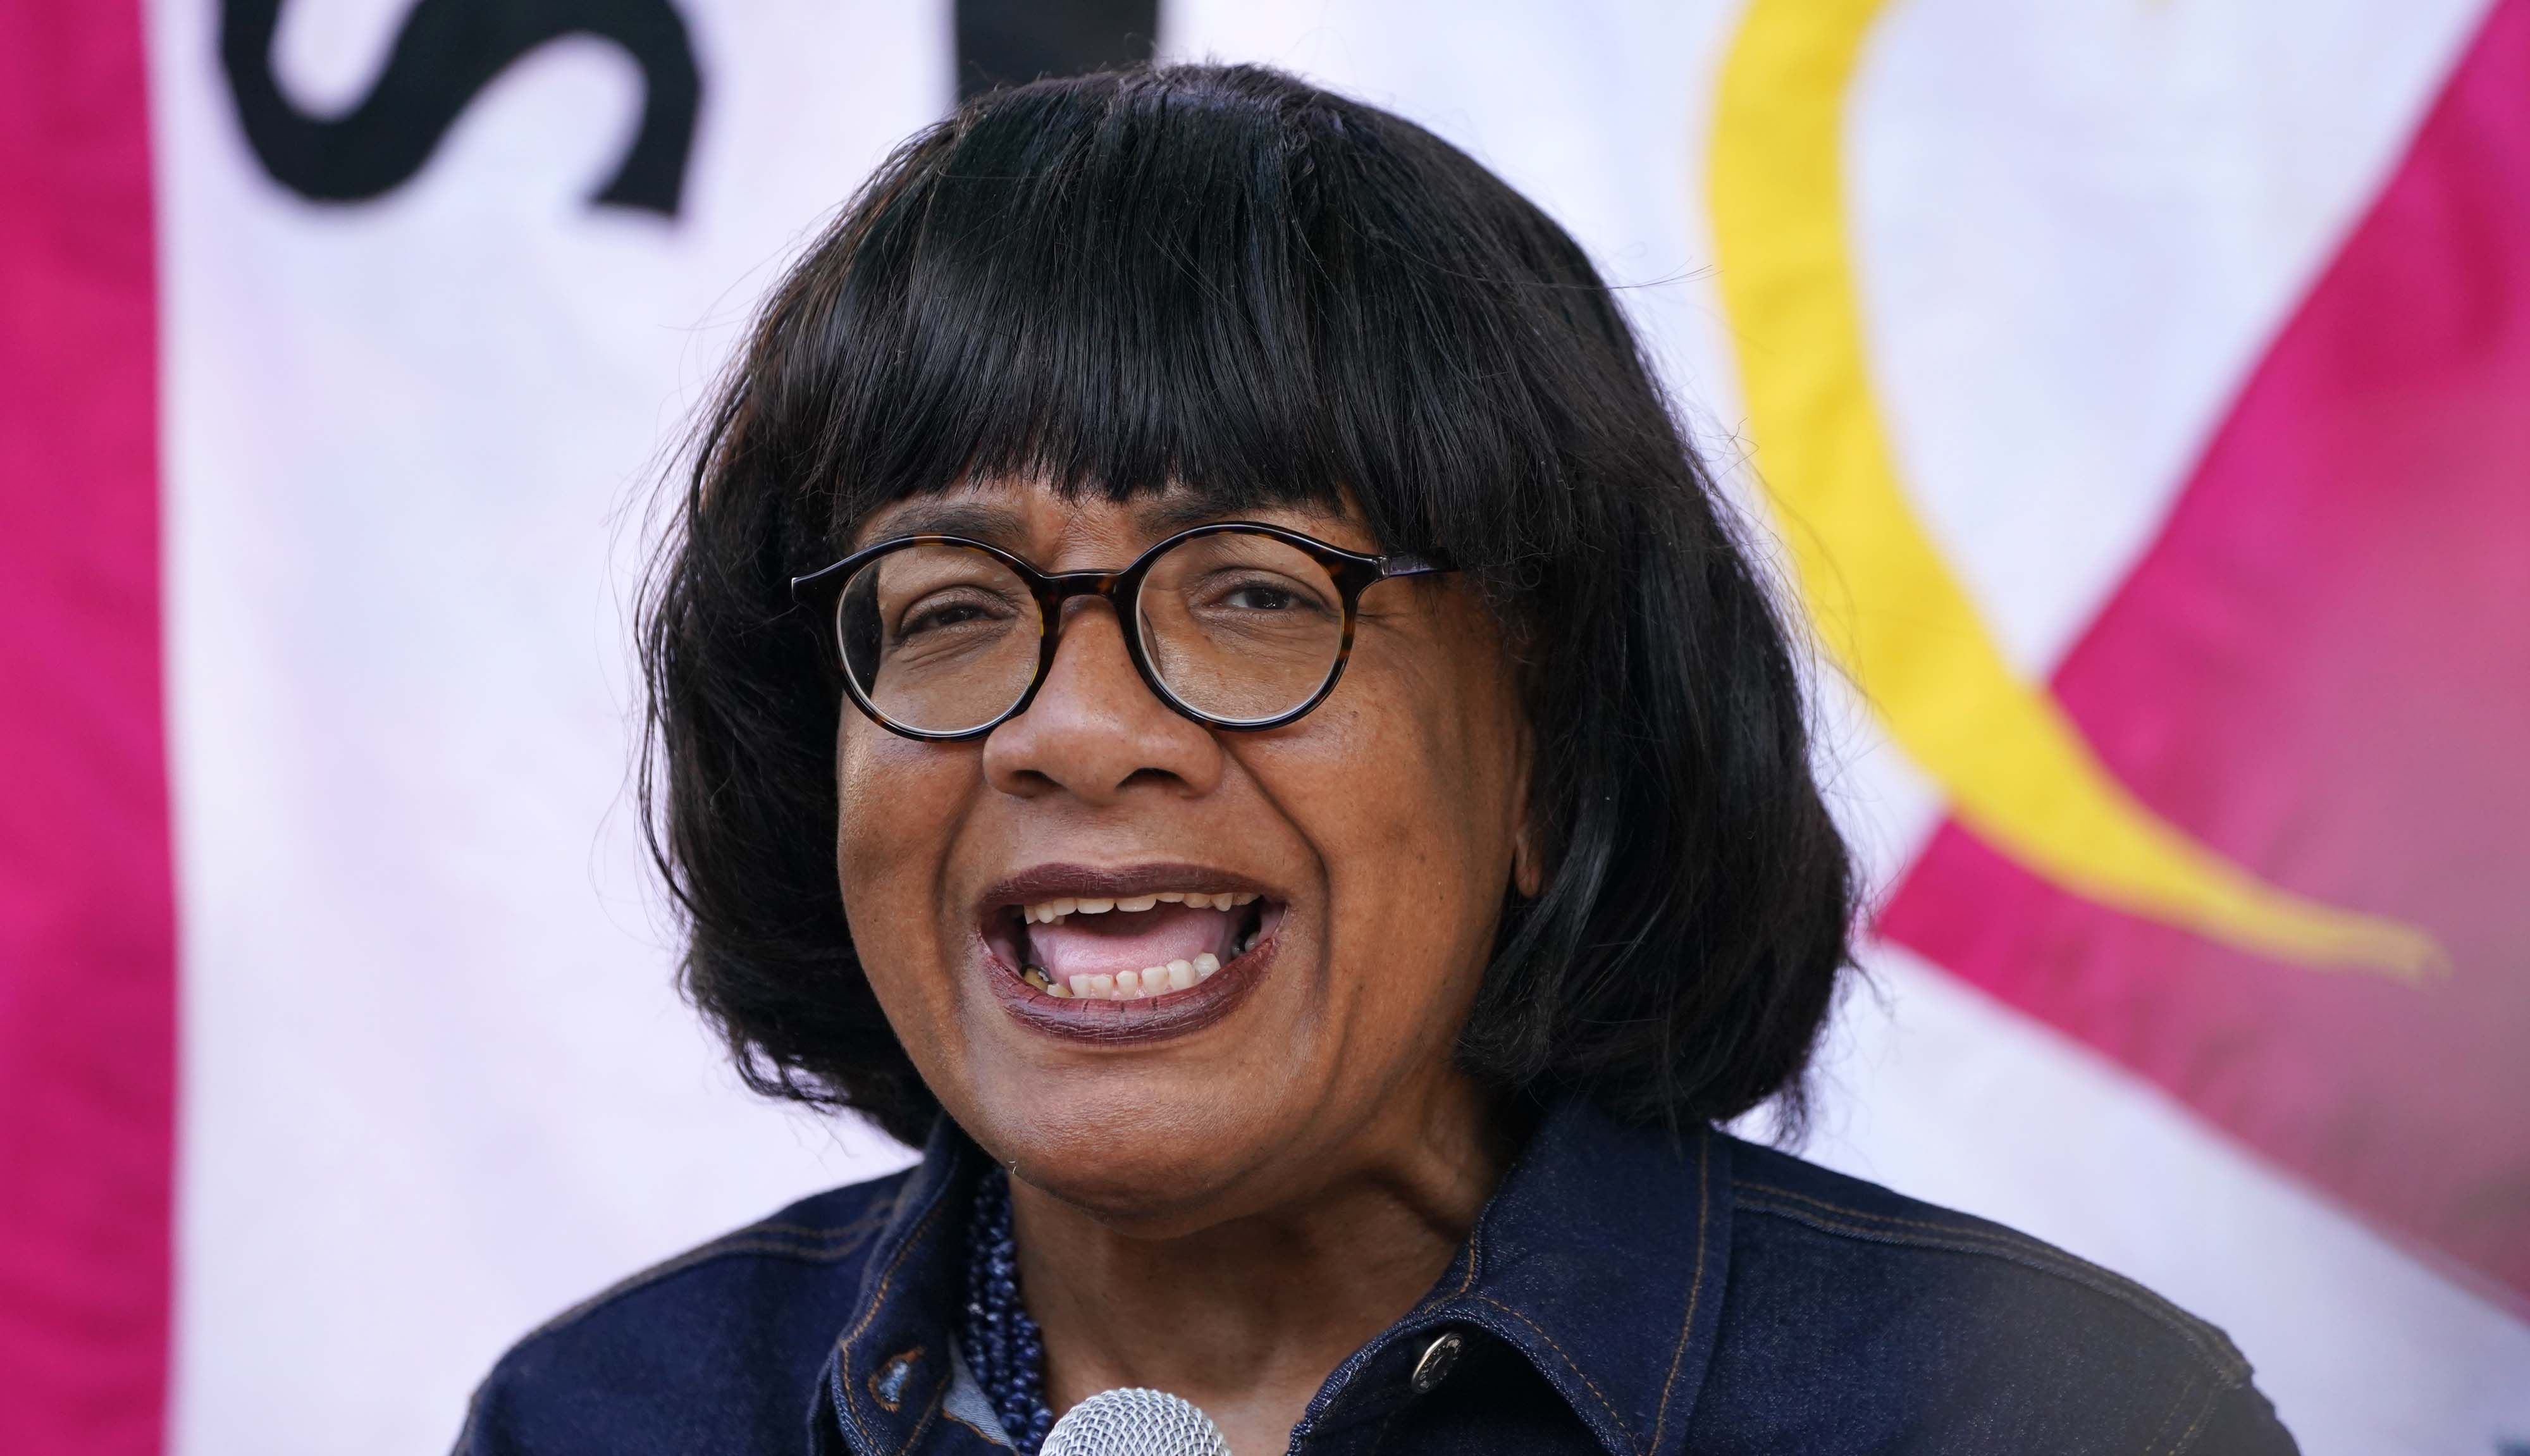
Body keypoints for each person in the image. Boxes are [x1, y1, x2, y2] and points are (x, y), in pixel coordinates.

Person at [455, 63, 2295, 1456]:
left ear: (1551, 753)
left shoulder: (2043, 1421)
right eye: (949, 611)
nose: (1074, 730)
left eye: (1254, 593)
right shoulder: (616, 1417)